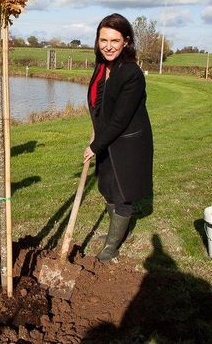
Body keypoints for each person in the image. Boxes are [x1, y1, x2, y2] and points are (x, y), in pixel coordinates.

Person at [83, 13, 153, 262]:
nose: (108, 46)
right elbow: (100, 104)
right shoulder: (102, 66)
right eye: (103, 40)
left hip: (128, 143)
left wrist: (95, 146)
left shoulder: (131, 73)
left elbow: (120, 119)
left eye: (114, 40)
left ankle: (112, 246)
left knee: (123, 192)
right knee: (108, 188)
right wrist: (95, 127)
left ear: (126, 41)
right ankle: (116, 233)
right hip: (107, 137)